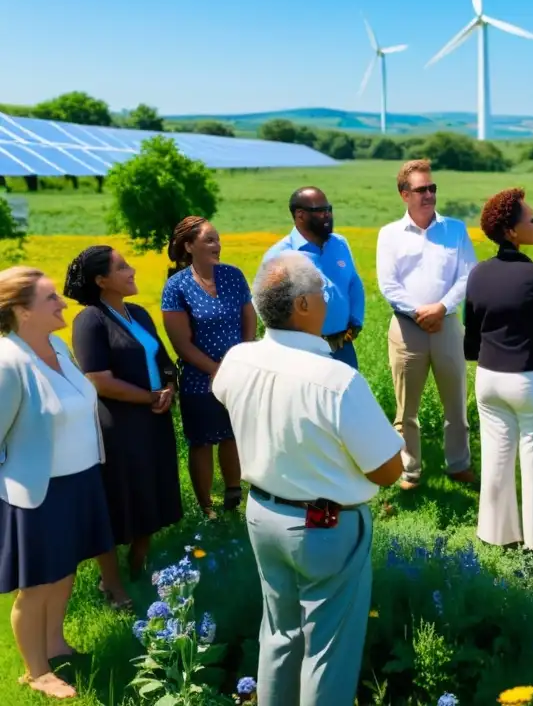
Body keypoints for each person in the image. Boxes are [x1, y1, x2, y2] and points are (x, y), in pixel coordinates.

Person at [211, 251, 404, 706]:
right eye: (321, 289)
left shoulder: (239, 359)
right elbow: (388, 470)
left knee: (278, 634)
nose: (327, 296)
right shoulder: (335, 379)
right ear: (301, 306)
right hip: (324, 526)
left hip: (263, 512)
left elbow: (227, 397)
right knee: (327, 652)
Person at [0, 266, 114, 700]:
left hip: (80, 480)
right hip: (38, 490)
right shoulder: (7, 361)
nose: (62, 303)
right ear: (21, 311)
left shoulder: (58, 346)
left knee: (64, 570)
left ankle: (55, 645)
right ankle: (36, 671)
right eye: (51, 298)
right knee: (38, 584)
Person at [64, 247, 183, 612]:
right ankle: (111, 583)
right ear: (102, 281)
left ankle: (138, 564)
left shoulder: (140, 314)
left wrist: (168, 389)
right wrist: (149, 397)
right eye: (122, 267)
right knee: (118, 500)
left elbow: (164, 362)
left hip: (153, 419)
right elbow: (98, 380)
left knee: (152, 491)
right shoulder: (90, 321)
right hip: (118, 425)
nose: (132, 271)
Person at [463, 188, 533, 552]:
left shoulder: (477, 274)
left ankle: (496, 535)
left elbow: (472, 330)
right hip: (531, 377)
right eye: (532, 220)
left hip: (488, 379)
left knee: (496, 456)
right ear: (511, 231)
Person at [376, 158, 477, 490]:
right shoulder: (389, 235)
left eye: (432, 188)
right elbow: (388, 285)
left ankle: (459, 464)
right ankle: (411, 469)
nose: (429, 195)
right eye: (421, 189)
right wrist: (422, 311)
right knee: (406, 410)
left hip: (447, 325)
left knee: (456, 404)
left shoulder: (455, 229)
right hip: (407, 329)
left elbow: (467, 275)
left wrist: (442, 307)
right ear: (404, 194)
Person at [161, 216, 257, 519]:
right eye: (209, 240)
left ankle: (233, 497)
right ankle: (206, 509)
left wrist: (242, 360)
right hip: (199, 379)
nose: (217, 245)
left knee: (232, 435)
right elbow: (181, 343)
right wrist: (215, 369)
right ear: (189, 246)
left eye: (217, 239)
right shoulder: (176, 286)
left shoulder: (233, 276)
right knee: (202, 442)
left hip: (238, 374)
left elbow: (249, 321)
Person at [261, 186, 365, 369]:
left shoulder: (339, 244)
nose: (327, 215)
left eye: (329, 209)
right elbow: (268, 309)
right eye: (320, 211)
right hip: (303, 352)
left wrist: (356, 321)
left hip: (342, 346)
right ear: (300, 215)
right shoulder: (279, 255)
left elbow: (353, 283)